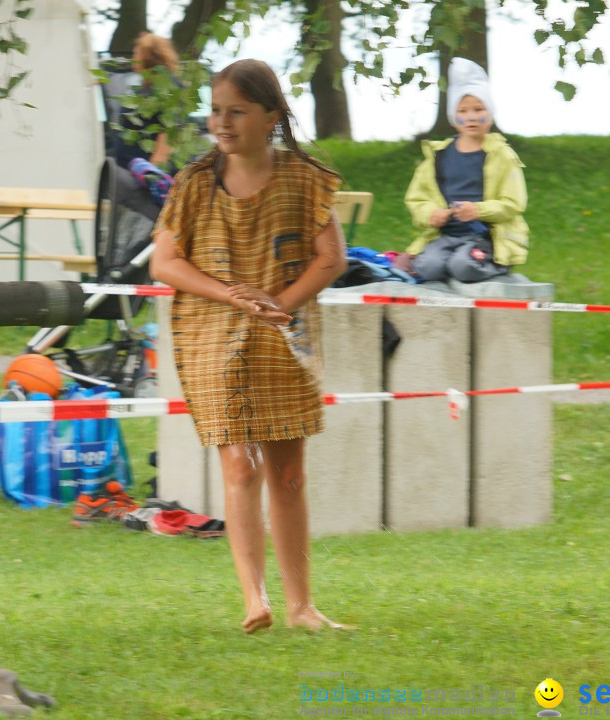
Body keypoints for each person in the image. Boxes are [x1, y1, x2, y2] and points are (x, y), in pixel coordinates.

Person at [151, 58, 349, 633]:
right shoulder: (193, 182)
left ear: (272, 117)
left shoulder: (303, 179)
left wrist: (280, 304)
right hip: (210, 330)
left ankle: (302, 607)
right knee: (240, 466)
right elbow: (166, 262)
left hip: (282, 334)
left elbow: (331, 258)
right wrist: (231, 297)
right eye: (216, 110)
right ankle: (253, 600)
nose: (222, 122)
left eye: (236, 110)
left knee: (288, 472)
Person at [395, 58, 529, 283]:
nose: (472, 117)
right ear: (453, 117)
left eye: (479, 109)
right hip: (447, 235)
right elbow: (417, 198)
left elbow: (514, 203)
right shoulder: (439, 155)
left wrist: (478, 210)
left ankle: (488, 263)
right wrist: (431, 214)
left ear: (490, 113)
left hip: (487, 236)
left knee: (463, 266)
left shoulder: (502, 155)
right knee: (427, 267)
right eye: (463, 111)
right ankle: (453, 261)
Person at [115, 32, 179, 170]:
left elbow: (167, 139)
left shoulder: (165, 89)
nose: (133, 58)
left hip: (146, 180)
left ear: (149, 57)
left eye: (136, 53)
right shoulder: (145, 88)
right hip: (132, 175)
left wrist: (152, 177)